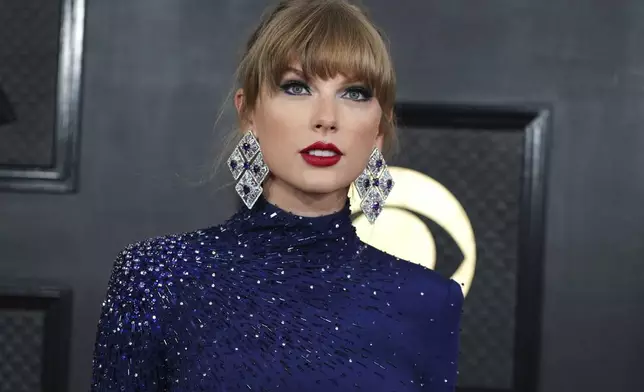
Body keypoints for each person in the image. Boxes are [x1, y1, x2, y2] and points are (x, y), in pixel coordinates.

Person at [90, 0, 464, 391]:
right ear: (248, 112)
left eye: (354, 93)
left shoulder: (428, 301)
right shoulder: (158, 278)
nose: (326, 117)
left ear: (378, 129)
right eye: (297, 87)